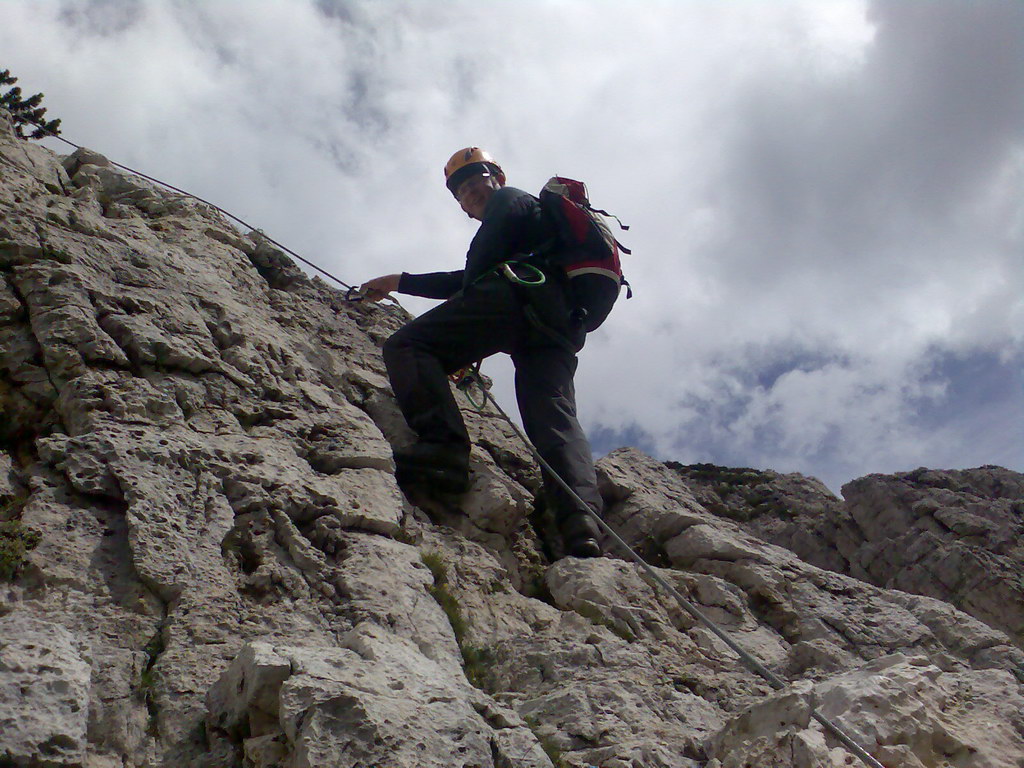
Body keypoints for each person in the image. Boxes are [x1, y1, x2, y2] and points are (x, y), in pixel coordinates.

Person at [360, 147, 604, 558]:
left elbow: (474, 277)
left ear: (498, 178)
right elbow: (471, 280)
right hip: (558, 323)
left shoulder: (512, 201)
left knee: (409, 344)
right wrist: (400, 281)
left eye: (476, 177)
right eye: (459, 188)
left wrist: (464, 333)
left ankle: (444, 451)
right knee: (553, 416)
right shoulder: (532, 231)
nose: (468, 188)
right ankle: (580, 521)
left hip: (516, 298)